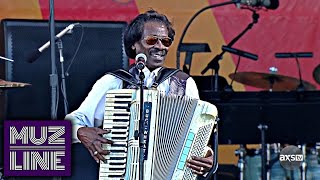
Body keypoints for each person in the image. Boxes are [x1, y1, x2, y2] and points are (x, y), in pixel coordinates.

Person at [65, 9, 214, 180]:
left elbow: (193, 136)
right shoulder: (113, 82)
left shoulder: (184, 83)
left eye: (166, 41)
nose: (160, 46)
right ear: (134, 45)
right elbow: (74, 120)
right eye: (152, 40)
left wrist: (206, 155)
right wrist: (81, 131)